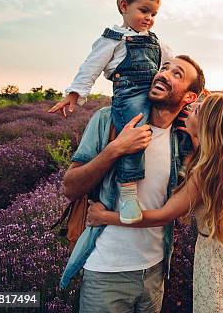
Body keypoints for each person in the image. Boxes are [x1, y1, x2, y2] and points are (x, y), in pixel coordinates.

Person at [87, 93, 223, 312]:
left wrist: (105, 217)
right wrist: (196, 137)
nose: (191, 107)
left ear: (209, 127)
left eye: (198, 111)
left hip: (217, 266)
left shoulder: (204, 175)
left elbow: (163, 215)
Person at [58, 56, 206, 313]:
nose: (164, 74)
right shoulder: (108, 120)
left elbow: (180, 213)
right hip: (106, 271)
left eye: (177, 74)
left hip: (155, 272)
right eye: (163, 68)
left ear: (190, 97)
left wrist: (193, 155)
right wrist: (115, 149)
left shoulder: (180, 140)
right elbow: (70, 188)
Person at [49, 0, 173, 224]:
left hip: (153, 92)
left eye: (154, 13)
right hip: (130, 95)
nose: (149, 18)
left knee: (183, 121)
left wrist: (198, 88)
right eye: (144, 10)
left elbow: (172, 65)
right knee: (135, 134)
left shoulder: (156, 40)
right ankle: (128, 192)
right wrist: (74, 94)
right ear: (124, 6)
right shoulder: (113, 38)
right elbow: (91, 66)